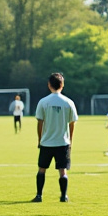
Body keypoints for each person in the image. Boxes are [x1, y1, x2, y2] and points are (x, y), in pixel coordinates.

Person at [33, 73, 77, 202]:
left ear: (49, 85)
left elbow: (40, 122)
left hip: (46, 142)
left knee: (42, 169)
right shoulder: (69, 102)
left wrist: (39, 139)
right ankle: (64, 196)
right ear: (62, 85)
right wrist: (70, 141)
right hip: (63, 142)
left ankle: (39, 195)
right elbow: (72, 123)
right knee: (62, 171)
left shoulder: (43, 101)